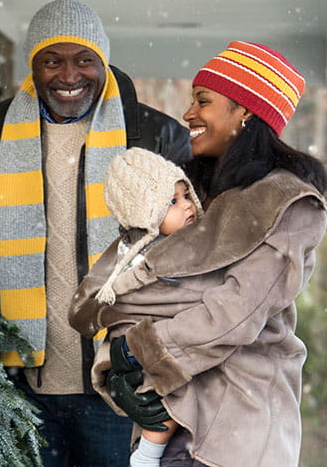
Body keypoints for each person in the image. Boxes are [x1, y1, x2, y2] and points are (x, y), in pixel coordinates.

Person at [0, 0, 191, 465]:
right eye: (52, 61)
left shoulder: (152, 134)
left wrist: (161, 361)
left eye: (84, 60)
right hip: (24, 383)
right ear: (33, 65)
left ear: (102, 61)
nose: (68, 76)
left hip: (120, 380)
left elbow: (187, 259)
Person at [69, 41, 327, 467]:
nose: (189, 113)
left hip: (237, 429)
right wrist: (116, 363)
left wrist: (135, 354)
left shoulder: (288, 203)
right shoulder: (192, 198)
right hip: (171, 422)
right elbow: (140, 289)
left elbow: (237, 313)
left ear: (244, 111)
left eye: (203, 101)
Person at [68, 146, 204, 467]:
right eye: (173, 201)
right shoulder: (134, 255)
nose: (186, 206)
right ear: (146, 211)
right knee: (164, 395)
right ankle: (147, 454)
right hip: (151, 347)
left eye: (186, 195)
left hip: (176, 344)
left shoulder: (193, 240)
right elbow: (90, 308)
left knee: (171, 388)